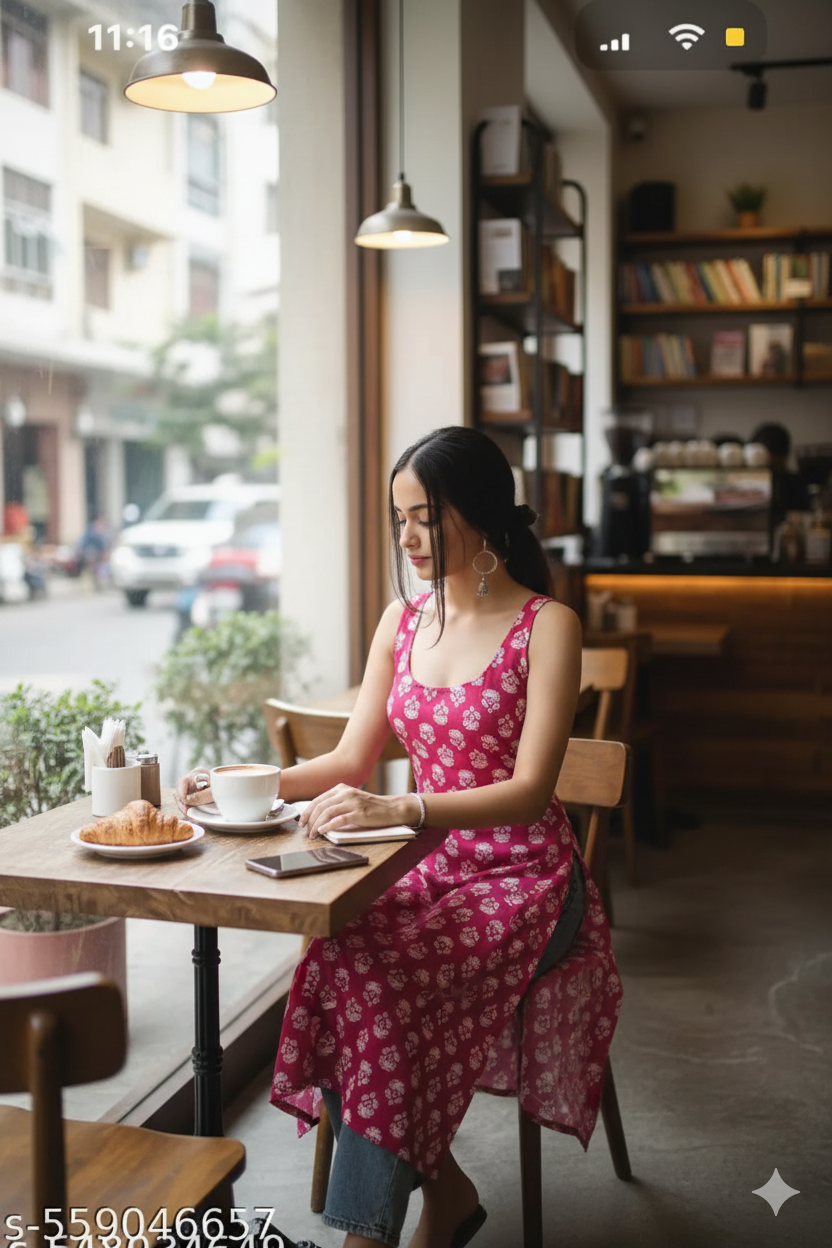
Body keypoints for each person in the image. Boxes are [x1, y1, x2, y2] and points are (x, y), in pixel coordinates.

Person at [176, 426, 622, 1248]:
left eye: (425, 517)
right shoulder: (403, 621)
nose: (409, 537)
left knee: (382, 984)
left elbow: (530, 793)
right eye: (400, 520)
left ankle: (364, 1237)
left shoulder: (547, 625)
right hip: (424, 868)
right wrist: (244, 779)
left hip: (529, 879)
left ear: (480, 514)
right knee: (335, 960)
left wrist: (403, 808)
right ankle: (445, 1194)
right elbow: (350, 758)